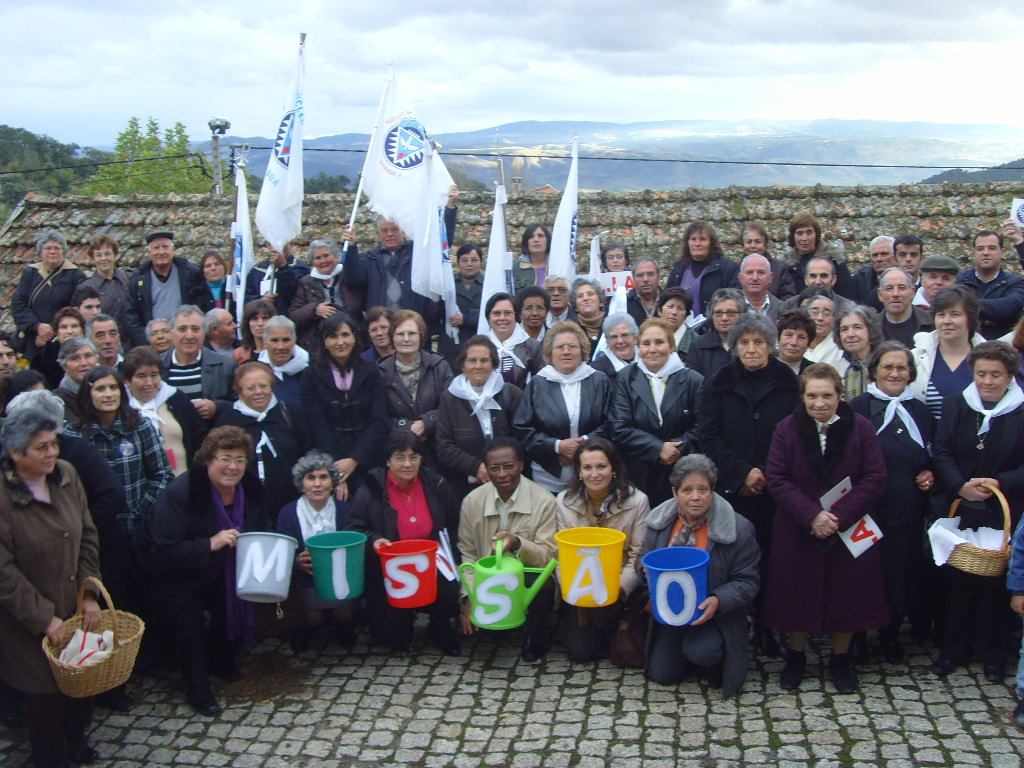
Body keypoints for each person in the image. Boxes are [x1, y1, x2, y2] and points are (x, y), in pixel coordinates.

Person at [764, 364, 887, 694]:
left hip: (849, 524)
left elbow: (875, 477)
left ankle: (840, 659)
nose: (819, 403)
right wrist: (812, 516)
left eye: (827, 396)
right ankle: (796, 655)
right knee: (796, 593)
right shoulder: (786, 429)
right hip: (798, 524)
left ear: (840, 395)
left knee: (846, 594)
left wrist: (838, 517)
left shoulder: (861, 428)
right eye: (812, 396)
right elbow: (777, 477)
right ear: (802, 396)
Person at [135, 426, 269, 715]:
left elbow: (261, 529)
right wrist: (210, 543)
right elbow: (162, 550)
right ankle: (199, 690)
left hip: (222, 567)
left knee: (232, 599)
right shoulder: (183, 492)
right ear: (208, 459)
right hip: (173, 574)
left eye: (240, 460)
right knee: (190, 622)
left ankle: (221, 662)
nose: (233, 467)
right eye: (225, 458)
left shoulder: (250, 488)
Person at [0, 409, 102, 766]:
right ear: (15, 452)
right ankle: (50, 757)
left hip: (75, 610)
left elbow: (87, 535)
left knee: (81, 688)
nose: (52, 453)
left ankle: (75, 744)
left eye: (54, 444)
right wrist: (44, 618)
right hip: (27, 622)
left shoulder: (67, 475)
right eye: (41, 447)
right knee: (44, 699)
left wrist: (89, 594)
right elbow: (3, 573)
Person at [699, 313, 801, 657]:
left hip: (775, 489)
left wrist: (766, 472)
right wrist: (742, 473)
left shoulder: (787, 381)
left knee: (772, 557)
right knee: (735, 557)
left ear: (770, 346)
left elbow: (794, 434)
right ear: (735, 347)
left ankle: (768, 623)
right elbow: (709, 435)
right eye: (744, 342)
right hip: (734, 489)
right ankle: (735, 620)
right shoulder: (718, 382)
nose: (752, 349)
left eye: (758, 342)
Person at [931, 341, 1024, 681]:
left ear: (1010, 376)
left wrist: (1001, 482)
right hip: (963, 506)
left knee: (994, 588)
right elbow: (941, 450)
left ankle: (993, 654)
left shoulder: (1021, 410)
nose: (987, 381)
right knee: (958, 583)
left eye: (995, 375)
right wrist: (960, 485)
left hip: (1004, 508)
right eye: (981, 373)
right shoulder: (957, 404)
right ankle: (952, 649)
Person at [642, 454, 760, 696]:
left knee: (703, 652)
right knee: (662, 675)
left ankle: (713, 657)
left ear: (712, 491)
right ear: (675, 493)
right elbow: (643, 559)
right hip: (672, 612)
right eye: (687, 490)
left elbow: (748, 582)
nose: (695, 497)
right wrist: (643, 571)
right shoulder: (658, 523)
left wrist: (718, 600)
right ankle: (684, 653)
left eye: (702, 490)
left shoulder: (739, 529)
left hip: (714, 615)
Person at [849, 341, 937, 663]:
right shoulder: (857, 409)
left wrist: (930, 472)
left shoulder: (922, 413)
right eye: (888, 366)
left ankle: (890, 636)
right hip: (864, 512)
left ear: (911, 372)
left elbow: (933, 455)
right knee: (862, 576)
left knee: (899, 577)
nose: (895, 373)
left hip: (906, 510)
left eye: (902, 367)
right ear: (874, 370)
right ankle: (857, 637)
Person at [346, 431, 461, 655]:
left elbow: (453, 522)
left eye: (413, 457)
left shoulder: (436, 483)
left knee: (447, 590)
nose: (407, 464)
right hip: (388, 567)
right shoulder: (370, 488)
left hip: (431, 561)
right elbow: (354, 528)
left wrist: (452, 557)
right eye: (400, 457)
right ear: (387, 461)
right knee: (393, 639)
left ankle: (439, 628)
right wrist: (374, 540)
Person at [458, 437, 558, 661]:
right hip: (489, 578)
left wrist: (518, 543)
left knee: (543, 585)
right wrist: (469, 597)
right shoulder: (471, 502)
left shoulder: (544, 500)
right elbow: (468, 553)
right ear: (486, 469)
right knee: (490, 635)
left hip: (527, 575)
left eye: (509, 466)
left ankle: (535, 636)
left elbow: (549, 556)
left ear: (521, 465)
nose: (502, 474)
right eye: (494, 468)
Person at [555, 437, 649, 662]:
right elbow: (559, 554)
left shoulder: (638, 501)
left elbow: (638, 553)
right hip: (580, 588)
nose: (594, 474)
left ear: (613, 469)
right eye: (587, 468)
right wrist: (572, 589)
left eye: (601, 466)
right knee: (581, 653)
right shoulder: (563, 501)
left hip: (618, 587)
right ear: (579, 471)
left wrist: (619, 587)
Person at [65, 366, 173, 536]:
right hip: (94, 529)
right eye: (100, 389)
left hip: (139, 526)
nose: (109, 394)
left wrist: (140, 512)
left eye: (113, 388)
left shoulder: (140, 426)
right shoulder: (74, 434)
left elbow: (163, 475)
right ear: (88, 394)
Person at [609, 317, 703, 506]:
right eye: (646, 343)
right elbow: (619, 427)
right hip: (638, 474)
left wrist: (677, 449)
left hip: (683, 473)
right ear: (638, 347)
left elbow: (702, 427)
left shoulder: (693, 380)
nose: (653, 349)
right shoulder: (625, 378)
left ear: (672, 346)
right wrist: (657, 448)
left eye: (659, 342)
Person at [513, 321, 611, 493]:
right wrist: (558, 446)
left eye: (572, 346)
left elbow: (611, 423)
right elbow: (522, 429)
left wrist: (580, 447)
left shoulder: (599, 381)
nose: (566, 351)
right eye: (560, 347)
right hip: (548, 474)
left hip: (594, 471)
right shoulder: (537, 384)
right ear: (550, 353)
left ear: (582, 351)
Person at [300, 312, 388, 499]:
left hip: (369, 458)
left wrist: (355, 459)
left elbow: (379, 421)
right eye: (333, 336)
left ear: (354, 338)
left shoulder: (371, 371)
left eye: (345, 335)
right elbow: (317, 425)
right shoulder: (311, 375)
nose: (340, 342)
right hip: (330, 459)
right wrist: (337, 468)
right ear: (325, 341)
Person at [275, 450, 356, 652]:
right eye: (311, 478)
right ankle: (303, 632)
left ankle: (343, 628)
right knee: (312, 617)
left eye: (323, 477)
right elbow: (282, 553)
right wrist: (297, 561)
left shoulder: (345, 510)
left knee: (344, 614)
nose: (317, 484)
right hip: (304, 578)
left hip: (339, 576)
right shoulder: (288, 513)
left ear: (332, 482)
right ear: (301, 483)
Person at [214, 360, 308, 515]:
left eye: (263, 386)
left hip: (290, 503)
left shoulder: (290, 413)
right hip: (243, 505)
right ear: (239, 391)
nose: (258, 392)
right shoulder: (228, 421)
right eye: (251, 388)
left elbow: (308, 450)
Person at [435, 336, 523, 500]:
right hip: (466, 487)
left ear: (493, 365)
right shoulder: (449, 398)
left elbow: (523, 438)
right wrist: (475, 467)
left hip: (509, 484)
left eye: (484, 360)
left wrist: (502, 468)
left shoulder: (511, 394)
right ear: (462, 365)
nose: (478, 366)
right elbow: (444, 446)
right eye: (472, 360)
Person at [344, 211, 457, 329]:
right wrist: (351, 248)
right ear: (378, 233)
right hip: (381, 329)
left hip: (415, 327)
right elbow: (353, 279)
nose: (389, 234)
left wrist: (449, 210)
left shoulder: (419, 253)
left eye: (394, 229)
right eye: (384, 231)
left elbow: (442, 245)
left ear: (403, 230)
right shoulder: (368, 258)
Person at [378, 310, 453, 464]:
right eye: (400, 334)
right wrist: (407, 427)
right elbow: (376, 415)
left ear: (421, 336)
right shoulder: (380, 371)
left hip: (437, 449)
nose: (406, 339)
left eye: (412, 333)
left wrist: (426, 423)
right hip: (396, 451)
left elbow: (451, 406)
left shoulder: (439, 366)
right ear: (392, 337)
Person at [124, 345, 207, 476]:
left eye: (154, 375)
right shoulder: (122, 406)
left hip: (182, 480)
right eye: (141, 376)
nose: (149, 383)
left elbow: (199, 437)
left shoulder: (175, 398)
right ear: (128, 380)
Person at [11, 229, 87, 364]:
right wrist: (37, 326)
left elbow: (76, 307)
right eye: (48, 248)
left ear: (64, 251)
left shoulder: (76, 275)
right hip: (32, 340)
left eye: (57, 248)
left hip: (62, 339)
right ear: (40, 252)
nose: (52, 252)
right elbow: (18, 303)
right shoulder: (30, 273)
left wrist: (51, 329)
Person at [909, 285, 985, 418]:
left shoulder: (989, 358)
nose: (946, 321)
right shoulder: (916, 357)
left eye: (955, 314)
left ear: (970, 318)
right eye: (941, 315)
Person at [122, 230, 202, 348]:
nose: (161, 252)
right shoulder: (138, 279)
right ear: (149, 253)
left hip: (185, 339)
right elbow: (131, 315)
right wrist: (146, 341)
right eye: (156, 248)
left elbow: (201, 304)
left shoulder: (190, 272)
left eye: (165, 247)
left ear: (173, 250)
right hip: (154, 343)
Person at [161, 305, 237, 421]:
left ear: (204, 332)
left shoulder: (226, 367)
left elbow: (242, 406)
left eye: (195, 329)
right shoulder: (157, 366)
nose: (189, 336)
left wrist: (217, 407)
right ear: (171, 332)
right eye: (182, 329)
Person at [290, 239, 359, 353]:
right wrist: (315, 309)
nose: (323, 261)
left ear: (335, 256)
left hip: (350, 341)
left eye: (326, 255)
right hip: (318, 346)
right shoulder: (306, 283)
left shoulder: (347, 276)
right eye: (318, 258)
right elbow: (294, 315)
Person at [956, 230, 1024, 340]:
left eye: (992, 248)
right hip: (965, 344)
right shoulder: (959, 281)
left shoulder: (1016, 282)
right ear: (973, 253)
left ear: (1002, 252)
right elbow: (952, 308)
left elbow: (1009, 308)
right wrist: (987, 319)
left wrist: (966, 306)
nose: (986, 253)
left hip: (1003, 346)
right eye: (980, 249)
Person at [667, 221, 740, 317]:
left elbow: (735, 301)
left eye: (702, 239)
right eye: (693, 239)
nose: (697, 244)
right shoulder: (679, 268)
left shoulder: (727, 268)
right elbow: (667, 297)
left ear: (711, 243)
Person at [782, 211, 852, 297]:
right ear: (793, 236)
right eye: (800, 233)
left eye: (809, 233)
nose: (804, 238)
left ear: (816, 235)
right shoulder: (786, 264)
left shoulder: (834, 259)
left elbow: (847, 292)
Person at [484, 293, 544, 388]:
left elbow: (541, 385)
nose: (502, 318)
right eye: (496, 313)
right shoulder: (480, 346)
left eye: (508, 313)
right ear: (488, 318)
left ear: (516, 316)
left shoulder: (532, 347)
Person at [687, 288, 746, 380]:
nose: (724, 318)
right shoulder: (698, 346)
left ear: (741, 315)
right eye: (718, 313)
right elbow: (694, 383)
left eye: (731, 313)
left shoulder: (750, 344)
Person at [79, 234, 131, 329]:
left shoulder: (129, 279)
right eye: (98, 255)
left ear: (115, 255)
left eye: (107, 254)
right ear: (93, 259)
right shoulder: (86, 287)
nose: (103, 258)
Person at [257, 315, 309, 408]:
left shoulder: (311, 370)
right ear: (264, 342)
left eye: (286, 340)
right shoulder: (254, 370)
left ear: (294, 340)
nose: (280, 346)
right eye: (274, 340)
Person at [244, 242, 306, 316]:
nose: (278, 248)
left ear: (291, 245)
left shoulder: (301, 269)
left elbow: (295, 295)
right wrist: (261, 301)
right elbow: (247, 297)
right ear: (268, 245)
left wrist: (283, 267)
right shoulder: (257, 270)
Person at [739, 222, 797, 300]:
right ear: (743, 245)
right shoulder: (735, 270)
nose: (753, 246)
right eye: (749, 242)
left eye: (758, 242)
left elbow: (789, 297)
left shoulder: (780, 269)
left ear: (765, 244)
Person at [834, 305, 881, 400]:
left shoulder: (885, 367)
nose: (850, 334)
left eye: (857, 327)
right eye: (844, 329)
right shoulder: (833, 372)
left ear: (871, 330)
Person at [878, 267, 933, 346]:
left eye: (901, 288)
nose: (895, 294)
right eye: (889, 288)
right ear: (880, 295)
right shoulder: (871, 327)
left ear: (912, 292)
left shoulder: (931, 323)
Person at [32, 306, 84, 388]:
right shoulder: (42, 360)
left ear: (82, 330)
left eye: (74, 326)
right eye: (64, 327)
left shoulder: (93, 351)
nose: (69, 331)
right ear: (57, 332)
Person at [450, 244, 484, 348]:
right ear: (458, 262)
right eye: (464, 260)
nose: (469, 264)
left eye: (474, 260)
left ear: (481, 262)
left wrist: (466, 318)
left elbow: (491, 313)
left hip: (479, 341)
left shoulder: (488, 285)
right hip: (451, 342)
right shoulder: (448, 283)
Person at [54, 337, 98, 418]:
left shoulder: (110, 389)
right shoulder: (59, 400)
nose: (84, 363)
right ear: (64, 367)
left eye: (88, 356)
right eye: (75, 358)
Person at [849, 236, 894, 311]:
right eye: (875, 255)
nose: (879, 259)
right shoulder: (859, 279)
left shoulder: (906, 277)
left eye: (884, 254)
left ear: (894, 256)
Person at [184, 251, 235, 315]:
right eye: (208, 266)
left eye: (217, 264)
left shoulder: (235, 290)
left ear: (224, 267)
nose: (213, 268)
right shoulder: (194, 295)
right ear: (203, 271)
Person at [590, 313, 638, 378]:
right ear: (607, 342)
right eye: (614, 337)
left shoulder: (647, 362)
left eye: (624, 335)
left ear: (635, 338)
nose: (620, 341)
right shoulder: (595, 371)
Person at [802, 293, 843, 367]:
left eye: (826, 313)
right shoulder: (797, 341)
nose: (820, 318)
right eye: (814, 312)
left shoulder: (840, 345)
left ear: (834, 318)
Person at [571, 277, 607, 360]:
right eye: (580, 296)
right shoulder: (571, 329)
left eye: (590, 294)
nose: (585, 298)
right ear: (575, 307)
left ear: (601, 302)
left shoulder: (612, 325)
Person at [655, 287, 695, 360]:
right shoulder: (648, 335)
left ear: (686, 315)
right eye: (670, 306)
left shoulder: (696, 342)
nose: (674, 312)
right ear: (659, 311)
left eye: (680, 308)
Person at [737, 254, 781, 321]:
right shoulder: (729, 309)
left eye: (761, 272)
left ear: (770, 278)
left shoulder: (783, 309)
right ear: (740, 278)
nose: (755, 278)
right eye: (749, 272)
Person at [232, 298, 276, 364]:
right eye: (255, 319)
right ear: (247, 323)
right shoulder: (239, 355)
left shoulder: (281, 351)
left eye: (265, 318)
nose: (260, 323)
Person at [776, 309, 816, 376]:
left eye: (801, 337)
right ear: (779, 337)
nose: (794, 342)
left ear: (809, 343)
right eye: (789, 335)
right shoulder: (763, 366)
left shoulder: (814, 371)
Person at [513, 223, 551, 291]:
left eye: (540, 236)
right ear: (526, 242)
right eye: (531, 236)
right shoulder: (515, 268)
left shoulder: (557, 266)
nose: (536, 239)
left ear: (548, 240)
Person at [626, 256, 662, 327]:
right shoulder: (624, 303)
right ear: (633, 279)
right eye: (640, 275)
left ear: (658, 277)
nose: (645, 279)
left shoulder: (669, 300)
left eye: (650, 274)